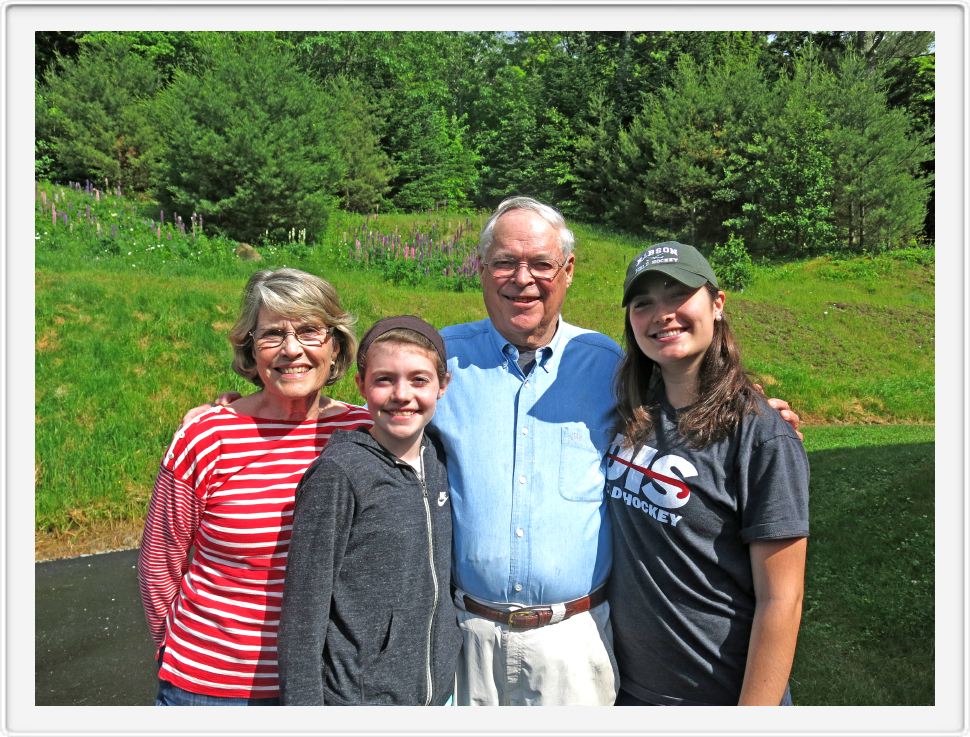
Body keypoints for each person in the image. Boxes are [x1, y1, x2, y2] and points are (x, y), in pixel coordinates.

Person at [183, 197, 802, 706]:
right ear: (479, 267)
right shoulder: (440, 362)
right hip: (467, 637)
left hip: (574, 640)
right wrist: (240, 408)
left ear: (568, 271)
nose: (522, 279)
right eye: (505, 262)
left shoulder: (611, 367)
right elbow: (380, 409)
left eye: (540, 262)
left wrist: (757, 412)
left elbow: (684, 399)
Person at [137, 268, 372, 705]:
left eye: (309, 331)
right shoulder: (207, 436)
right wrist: (167, 650)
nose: (291, 349)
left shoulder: (364, 434)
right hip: (209, 690)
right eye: (272, 335)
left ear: (336, 344)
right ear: (250, 348)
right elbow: (160, 562)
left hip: (321, 686)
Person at [605, 242, 809, 706]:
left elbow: (782, 601)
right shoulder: (632, 410)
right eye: (644, 303)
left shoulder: (760, 435)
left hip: (715, 697)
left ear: (717, 305)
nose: (663, 314)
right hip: (628, 691)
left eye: (678, 295)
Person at [276, 316, 460, 705]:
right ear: (361, 386)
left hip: (438, 695)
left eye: (419, 380)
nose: (402, 394)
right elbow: (303, 613)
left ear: (442, 386)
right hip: (361, 699)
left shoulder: (440, 458)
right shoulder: (339, 473)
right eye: (384, 380)